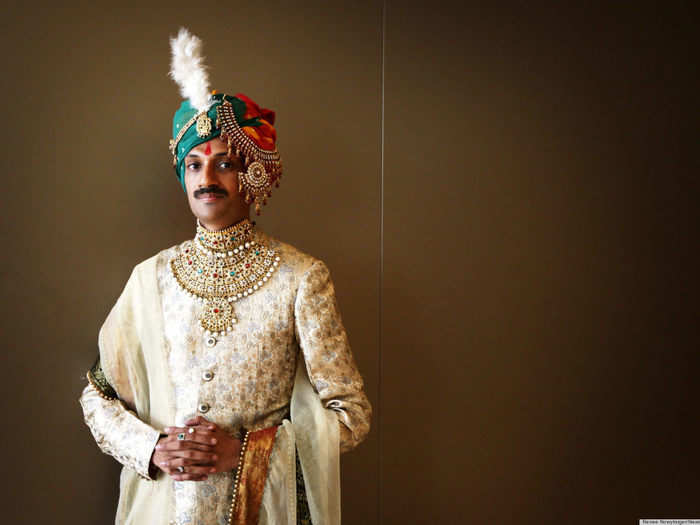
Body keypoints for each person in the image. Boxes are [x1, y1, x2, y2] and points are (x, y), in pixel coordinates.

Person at [79, 27, 371, 525]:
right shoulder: (152, 278)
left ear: (254, 173)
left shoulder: (301, 278)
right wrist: (154, 449)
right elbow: (99, 396)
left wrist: (244, 454)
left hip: (261, 511)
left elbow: (350, 416)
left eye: (225, 163)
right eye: (193, 165)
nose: (206, 179)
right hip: (164, 512)